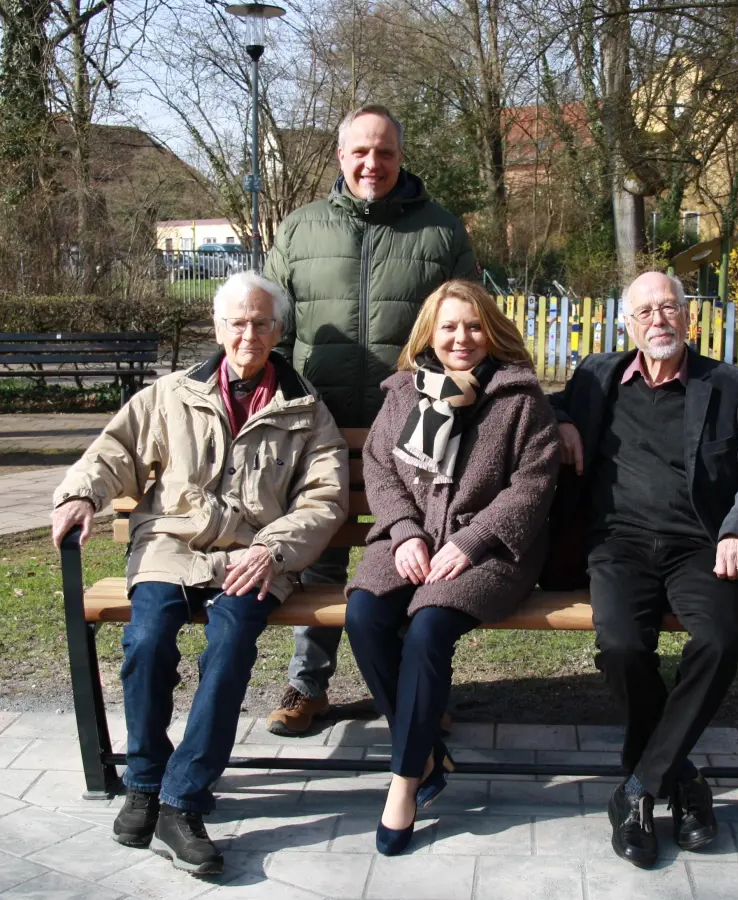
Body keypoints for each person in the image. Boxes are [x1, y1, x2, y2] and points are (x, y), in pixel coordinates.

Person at [49, 272, 347, 876]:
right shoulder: (169, 395)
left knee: (232, 642)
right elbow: (114, 452)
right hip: (171, 546)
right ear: (217, 328)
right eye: (237, 322)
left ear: (279, 332)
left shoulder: (306, 408)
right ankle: (144, 780)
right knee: (147, 638)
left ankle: (181, 799)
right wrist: (81, 495)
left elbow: (325, 499)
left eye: (262, 323)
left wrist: (273, 551)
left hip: (251, 556)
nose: (249, 334)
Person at [549, 271, 738, 869]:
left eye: (670, 308)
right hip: (618, 545)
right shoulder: (596, 377)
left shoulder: (730, 386)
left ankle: (637, 790)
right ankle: (682, 780)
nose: (659, 320)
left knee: (718, 643)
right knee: (623, 647)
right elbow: (539, 404)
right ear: (627, 324)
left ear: (689, 317)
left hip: (700, 546)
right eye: (646, 311)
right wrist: (562, 421)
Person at [262, 103, 479, 737]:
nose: (371, 164)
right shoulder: (300, 230)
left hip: (416, 427)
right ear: (340, 156)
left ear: (400, 157)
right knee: (320, 553)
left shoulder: (440, 232)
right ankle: (308, 685)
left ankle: (421, 688)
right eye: (360, 151)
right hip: (321, 426)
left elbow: (473, 325)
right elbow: (275, 329)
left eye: (384, 152)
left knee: (418, 548)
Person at [343, 279, 560, 855]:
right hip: (410, 542)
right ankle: (429, 751)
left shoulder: (521, 399)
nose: (461, 338)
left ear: (490, 330)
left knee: (428, 629)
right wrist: (406, 534)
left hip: (489, 552)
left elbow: (532, 485)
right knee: (364, 615)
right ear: (429, 335)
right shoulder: (404, 393)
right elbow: (381, 468)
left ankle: (405, 781)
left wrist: (471, 540)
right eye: (448, 327)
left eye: (472, 326)